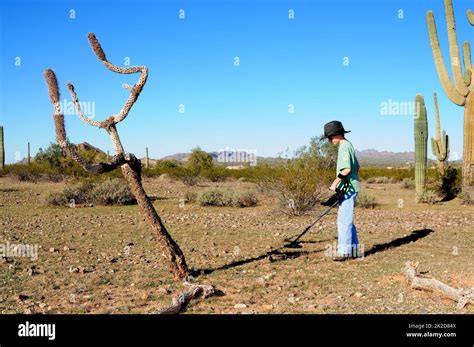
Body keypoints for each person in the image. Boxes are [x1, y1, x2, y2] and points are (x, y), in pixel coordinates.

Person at [323, 120, 361, 261]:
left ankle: (344, 252)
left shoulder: (344, 147)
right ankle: (355, 250)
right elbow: (357, 167)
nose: (329, 140)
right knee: (347, 219)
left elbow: (347, 169)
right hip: (351, 187)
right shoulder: (348, 145)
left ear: (336, 135)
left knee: (343, 221)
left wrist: (335, 183)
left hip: (348, 189)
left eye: (329, 137)